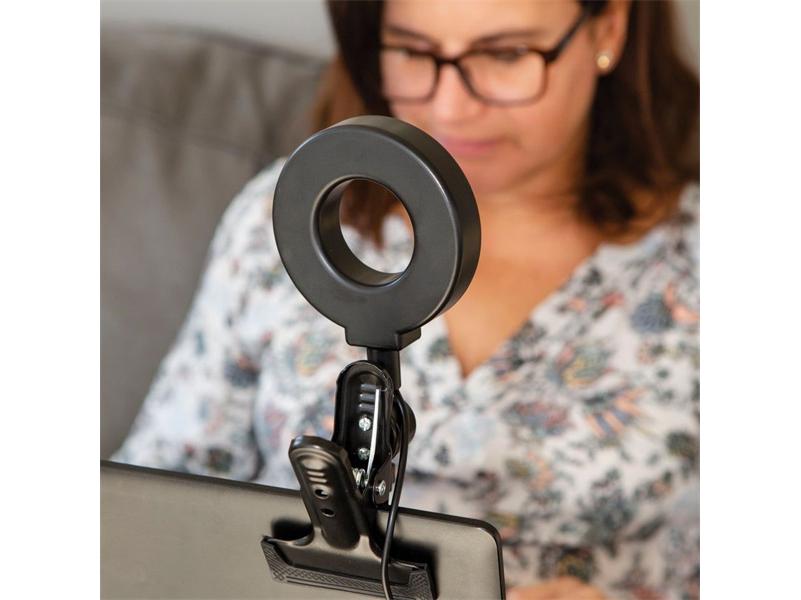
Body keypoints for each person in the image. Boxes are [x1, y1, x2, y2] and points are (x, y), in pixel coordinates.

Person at [112, 0, 699, 598]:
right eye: (414, 51)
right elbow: (147, 503)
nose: (450, 107)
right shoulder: (287, 219)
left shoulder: (696, 264)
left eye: (505, 54)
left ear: (608, 28)